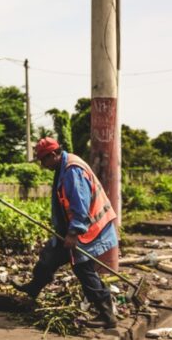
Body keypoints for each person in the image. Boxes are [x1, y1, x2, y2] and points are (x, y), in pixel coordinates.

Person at [11, 137, 119, 329]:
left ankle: (106, 314)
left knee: (82, 269)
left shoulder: (72, 171)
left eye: (43, 160)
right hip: (74, 228)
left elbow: (81, 206)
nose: (43, 165)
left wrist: (73, 233)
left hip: (90, 229)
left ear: (53, 155)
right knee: (49, 256)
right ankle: (32, 290)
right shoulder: (63, 166)